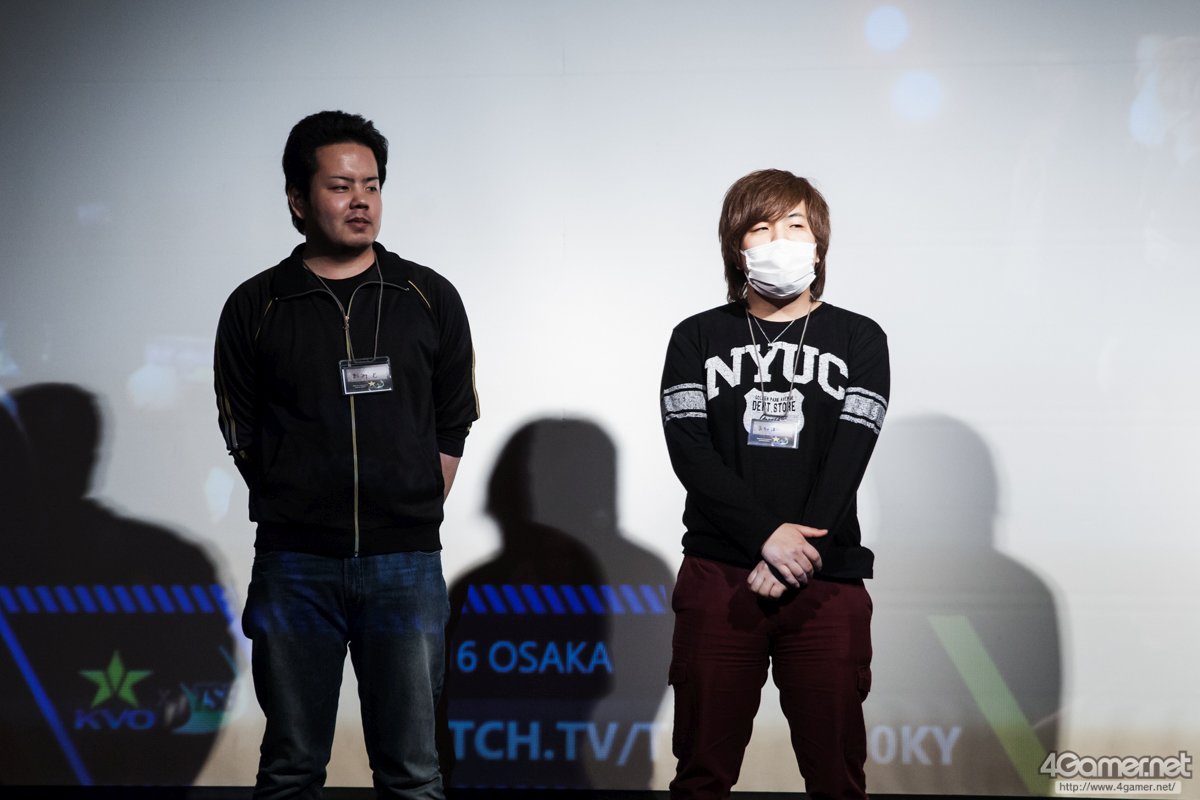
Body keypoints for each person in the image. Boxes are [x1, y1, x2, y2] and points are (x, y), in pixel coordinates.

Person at [214, 110, 479, 799]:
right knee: (291, 768)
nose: (360, 200)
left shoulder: (427, 296)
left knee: (413, 770)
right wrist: (294, 496)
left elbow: (454, 416)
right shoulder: (257, 305)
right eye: (340, 186)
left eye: (371, 185)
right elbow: (241, 427)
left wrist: (414, 499)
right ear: (299, 200)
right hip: (295, 565)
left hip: (405, 564)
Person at [659, 169, 888, 799]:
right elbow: (690, 452)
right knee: (702, 774)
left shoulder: (860, 338)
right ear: (737, 246)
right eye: (760, 227)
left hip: (826, 580)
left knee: (837, 777)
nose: (779, 240)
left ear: (819, 243)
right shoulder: (696, 336)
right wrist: (765, 536)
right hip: (720, 576)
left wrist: (795, 552)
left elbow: (850, 454)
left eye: (795, 225)